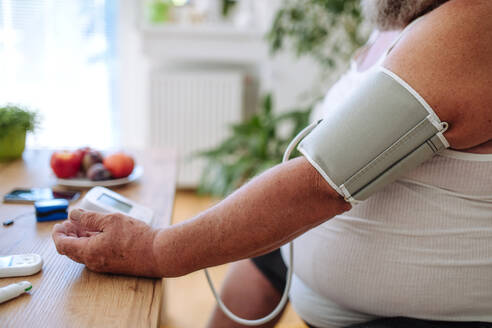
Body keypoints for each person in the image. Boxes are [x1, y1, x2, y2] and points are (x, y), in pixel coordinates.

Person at [52, 0, 492, 327]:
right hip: (317, 274)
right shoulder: (406, 19)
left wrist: (156, 250)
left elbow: (323, 182)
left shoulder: (474, 22)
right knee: (263, 256)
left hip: (415, 317)